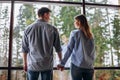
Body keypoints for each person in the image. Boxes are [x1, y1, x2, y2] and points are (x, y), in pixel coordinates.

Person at [22, 7, 62, 80]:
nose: (49, 17)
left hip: (33, 64)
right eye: (49, 15)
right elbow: (58, 48)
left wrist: (25, 63)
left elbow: (24, 49)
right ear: (45, 14)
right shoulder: (53, 29)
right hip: (47, 65)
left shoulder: (28, 29)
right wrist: (60, 61)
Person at [57, 14, 96, 80]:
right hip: (89, 66)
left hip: (77, 65)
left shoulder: (75, 33)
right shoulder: (90, 36)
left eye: (75, 21)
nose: (74, 22)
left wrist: (62, 63)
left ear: (79, 22)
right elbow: (93, 52)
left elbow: (69, 49)